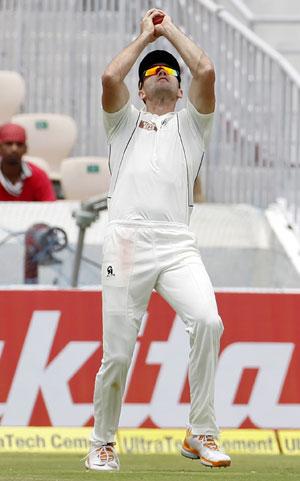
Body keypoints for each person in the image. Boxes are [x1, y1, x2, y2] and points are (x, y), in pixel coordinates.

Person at [85, 8, 231, 472]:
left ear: (180, 88)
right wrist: (144, 38)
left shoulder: (194, 124)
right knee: (119, 353)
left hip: (176, 244)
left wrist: (168, 31)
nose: (163, 72)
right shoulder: (122, 124)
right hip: (125, 243)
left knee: (208, 322)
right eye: (153, 73)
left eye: (170, 71)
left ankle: (202, 434)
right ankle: (102, 443)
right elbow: (111, 77)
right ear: (142, 89)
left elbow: (205, 69)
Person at [0, 123, 56, 201]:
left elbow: (51, 208)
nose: (14, 149)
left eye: (19, 144)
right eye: (9, 144)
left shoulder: (39, 176)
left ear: (26, 149)